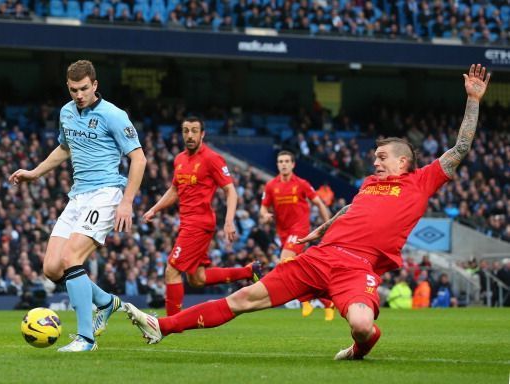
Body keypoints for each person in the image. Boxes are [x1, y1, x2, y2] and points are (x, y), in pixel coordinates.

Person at [124, 64, 490, 359]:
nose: (374, 161)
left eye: (381, 157)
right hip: (320, 256)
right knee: (243, 299)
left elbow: (460, 148)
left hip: (356, 266)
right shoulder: (368, 184)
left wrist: (472, 100)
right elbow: (352, 207)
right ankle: (162, 326)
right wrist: (323, 229)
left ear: (403, 161)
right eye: (374, 157)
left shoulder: (422, 181)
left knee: (363, 326)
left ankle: (360, 347)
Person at [9, 60, 146, 352]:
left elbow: (139, 158)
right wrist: (35, 172)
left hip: (106, 194)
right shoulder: (67, 112)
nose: (79, 94)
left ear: (95, 85)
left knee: (72, 256)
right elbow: (64, 147)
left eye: (84, 88)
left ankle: (86, 338)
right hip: (78, 196)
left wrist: (127, 202)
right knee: (51, 268)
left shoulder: (113, 114)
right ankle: (107, 303)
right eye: (73, 90)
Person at [143, 117, 261, 316]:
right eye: (186, 130)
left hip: (198, 224)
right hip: (187, 223)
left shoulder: (212, 158)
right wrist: (155, 209)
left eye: (194, 130)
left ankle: (170, 323)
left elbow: (230, 191)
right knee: (197, 279)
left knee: (171, 271)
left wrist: (229, 221)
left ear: (202, 134)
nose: (190, 135)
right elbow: (174, 190)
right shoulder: (179, 159)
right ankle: (249, 271)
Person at [259, 150, 334, 319]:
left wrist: (328, 226)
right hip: (283, 233)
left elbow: (319, 203)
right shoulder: (271, 185)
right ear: (277, 164)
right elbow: (263, 207)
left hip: (299, 230)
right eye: (280, 161)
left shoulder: (302, 184)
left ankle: (305, 301)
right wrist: (264, 215)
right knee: (299, 269)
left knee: (284, 262)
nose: (283, 164)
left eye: (287, 161)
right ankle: (324, 301)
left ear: (293, 164)